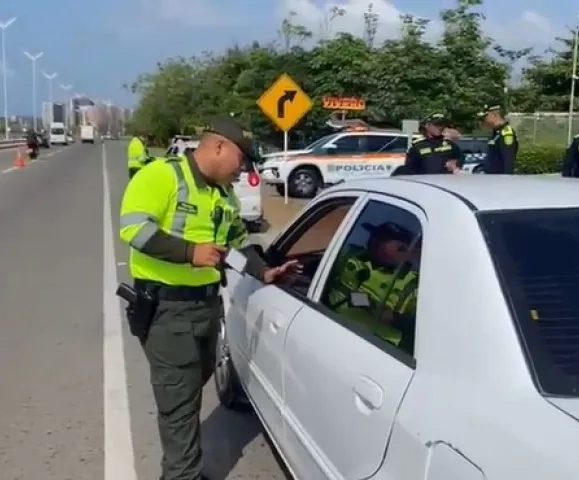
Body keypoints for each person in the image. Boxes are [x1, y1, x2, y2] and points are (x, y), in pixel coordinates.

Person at [118, 116, 299, 480]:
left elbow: (233, 247)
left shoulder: (223, 194)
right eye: (241, 159)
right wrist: (190, 253)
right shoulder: (161, 176)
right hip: (167, 310)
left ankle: (183, 467)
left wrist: (262, 271)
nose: (244, 170)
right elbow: (133, 228)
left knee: (190, 390)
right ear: (218, 147)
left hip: (205, 308)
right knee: (179, 404)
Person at [323, 222, 419, 355]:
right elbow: (320, 271)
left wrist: (393, 317)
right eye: (374, 236)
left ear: (403, 250)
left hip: (376, 349)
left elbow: (423, 328)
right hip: (329, 324)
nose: (373, 240)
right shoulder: (352, 256)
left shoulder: (413, 285)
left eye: (382, 239)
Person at [398, 113, 462, 175]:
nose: (440, 127)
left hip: (445, 182)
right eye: (436, 124)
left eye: (442, 124)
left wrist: (456, 163)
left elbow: (461, 158)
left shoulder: (449, 144)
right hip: (426, 182)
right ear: (427, 125)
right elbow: (409, 168)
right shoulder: (418, 146)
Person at [477, 102, 518, 174]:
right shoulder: (495, 133)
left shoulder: (506, 133)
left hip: (499, 179)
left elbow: (508, 159)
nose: (483, 121)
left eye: (485, 117)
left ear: (495, 115)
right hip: (492, 178)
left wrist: (508, 179)